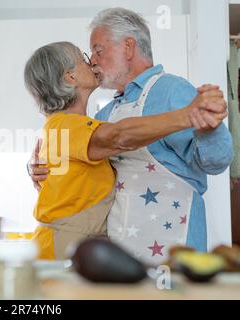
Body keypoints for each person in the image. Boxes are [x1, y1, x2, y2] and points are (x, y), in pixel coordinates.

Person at [29, 8, 233, 265]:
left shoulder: (171, 90)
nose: (92, 60)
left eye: (98, 50)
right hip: (121, 254)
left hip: (171, 246)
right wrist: (37, 167)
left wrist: (207, 129)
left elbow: (217, 161)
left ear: (128, 47)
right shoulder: (104, 114)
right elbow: (104, 143)